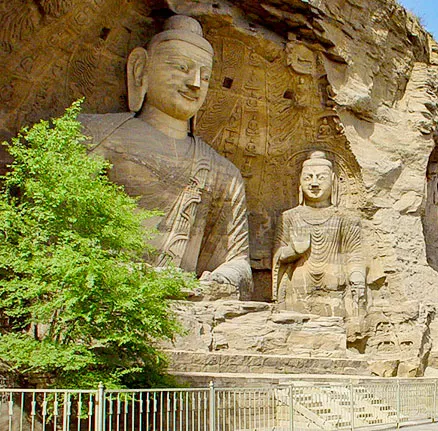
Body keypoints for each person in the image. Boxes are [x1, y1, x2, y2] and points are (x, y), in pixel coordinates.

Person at [80, 15, 251, 296]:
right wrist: (108, 268)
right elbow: (56, 227)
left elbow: (237, 261)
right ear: (140, 69)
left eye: (205, 76)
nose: (195, 83)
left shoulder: (224, 171)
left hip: (183, 298)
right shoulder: (97, 136)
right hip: (101, 292)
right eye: (181, 67)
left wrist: (225, 278)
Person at [273, 151, 366, 311]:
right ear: (299, 182)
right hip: (298, 290)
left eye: (321, 178)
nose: (314, 184)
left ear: (333, 181)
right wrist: (293, 251)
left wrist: (357, 276)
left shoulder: (346, 217)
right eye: (308, 178)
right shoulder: (289, 217)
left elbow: (354, 254)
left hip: (336, 292)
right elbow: (277, 256)